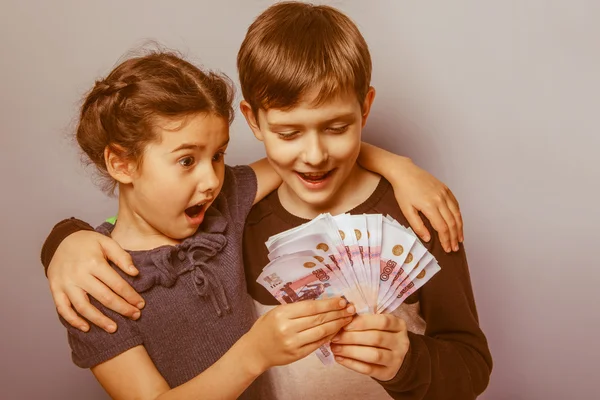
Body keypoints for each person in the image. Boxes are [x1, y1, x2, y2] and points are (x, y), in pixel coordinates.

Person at [40, 3, 474, 400]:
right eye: (288, 133)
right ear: (255, 122)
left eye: (218, 157)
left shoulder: (419, 214)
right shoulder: (225, 222)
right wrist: (63, 243)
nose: (212, 180)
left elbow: (470, 365)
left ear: (364, 111)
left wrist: (401, 167)